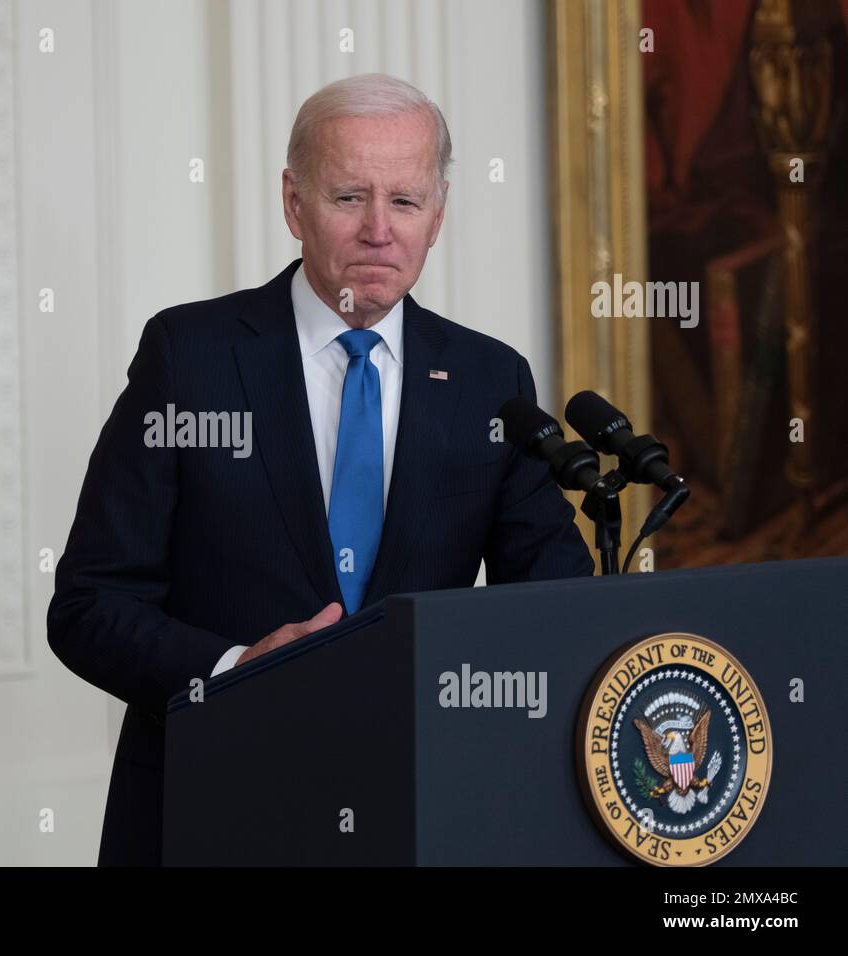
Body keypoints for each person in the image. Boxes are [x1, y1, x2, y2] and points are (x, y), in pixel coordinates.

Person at [48, 73, 593, 866]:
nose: (380, 229)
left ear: (438, 215)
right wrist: (236, 672)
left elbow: (550, 607)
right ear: (293, 202)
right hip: (215, 805)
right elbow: (89, 606)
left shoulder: (488, 380)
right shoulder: (190, 358)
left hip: (420, 814)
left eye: (405, 201)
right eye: (349, 198)